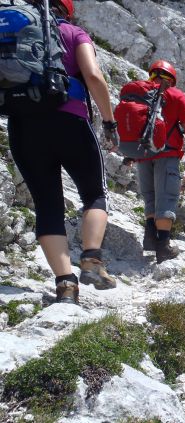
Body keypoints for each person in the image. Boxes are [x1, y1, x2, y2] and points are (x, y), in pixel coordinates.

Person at [7, 0, 119, 304]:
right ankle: (92, 261)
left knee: (48, 206)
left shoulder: (14, 32)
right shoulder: (73, 32)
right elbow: (93, 76)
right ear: (66, 11)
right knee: (94, 194)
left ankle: (66, 286)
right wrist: (109, 122)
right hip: (70, 121)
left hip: (23, 125)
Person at [135, 60, 185, 264]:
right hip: (166, 154)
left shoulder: (140, 92)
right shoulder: (175, 95)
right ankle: (163, 246)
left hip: (142, 154)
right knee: (166, 196)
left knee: (150, 196)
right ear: (172, 79)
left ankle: (149, 236)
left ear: (152, 74)